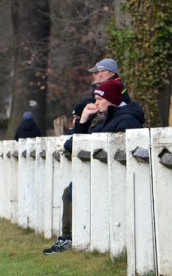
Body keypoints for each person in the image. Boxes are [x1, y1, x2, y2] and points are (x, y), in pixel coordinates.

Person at [43, 80, 145, 255]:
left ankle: (72, 238)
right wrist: (83, 120)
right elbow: (71, 145)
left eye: (99, 98)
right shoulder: (107, 120)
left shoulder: (126, 120)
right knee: (70, 190)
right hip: (102, 176)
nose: (95, 102)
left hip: (118, 181)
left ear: (111, 98)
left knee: (73, 190)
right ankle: (68, 237)